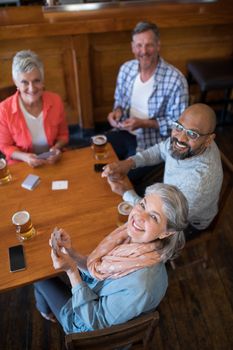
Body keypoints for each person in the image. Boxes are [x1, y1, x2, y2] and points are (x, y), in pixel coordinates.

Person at [34, 183, 188, 333]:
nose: (139, 216)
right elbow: (99, 269)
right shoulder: (131, 236)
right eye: (142, 205)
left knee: (40, 279)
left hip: (87, 326)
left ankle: (46, 312)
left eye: (154, 217)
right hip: (94, 289)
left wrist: (72, 272)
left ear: (166, 233)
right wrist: (71, 252)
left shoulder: (142, 286)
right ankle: (47, 311)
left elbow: (95, 322)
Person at [102, 103, 223, 237]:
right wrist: (129, 163)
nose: (181, 138)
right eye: (178, 127)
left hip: (184, 224)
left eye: (192, 134)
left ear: (208, 140)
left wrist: (125, 192)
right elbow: (161, 150)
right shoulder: (189, 143)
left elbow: (161, 222)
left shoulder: (199, 183)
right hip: (167, 198)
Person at [107, 21, 188, 163]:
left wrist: (144, 123)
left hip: (153, 145)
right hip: (124, 133)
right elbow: (119, 101)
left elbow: (179, 127)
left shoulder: (176, 80)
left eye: (149, 45)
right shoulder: (126, 69)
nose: (143, 51)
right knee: (93, 155)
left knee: (120, 175)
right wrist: (117, 112)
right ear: (132, 47)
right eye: (139, 45)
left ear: (158, 46)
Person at [0, 50, 69, 167]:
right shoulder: (4, 110)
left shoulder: (56, 101)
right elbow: (5, 146)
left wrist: (56, 149)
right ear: (16, 83)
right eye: (24, 82)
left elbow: (63, 135)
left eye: (36, 81)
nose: (32, 89)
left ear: (42, 81)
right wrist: (26, 157)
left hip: (53, 162)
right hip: (21, 164)